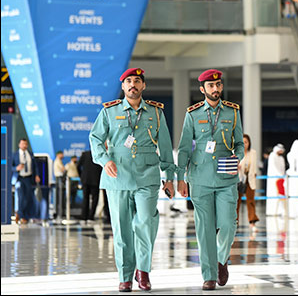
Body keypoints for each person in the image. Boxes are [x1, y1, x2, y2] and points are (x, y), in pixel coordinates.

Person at [89, 67, 176, 292]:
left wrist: (170, 177)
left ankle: (143, 270)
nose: (132, 85)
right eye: (128, 81)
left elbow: (165, 147)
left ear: (143, 86)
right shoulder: (109, 111)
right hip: (117, 177)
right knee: (122, 229)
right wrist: (104, 159)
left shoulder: (156, 113)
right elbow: (95, 137)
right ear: (123, 86)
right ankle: (125, 275)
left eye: (137, 81)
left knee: (146, 222)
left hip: (147, 175)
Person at [176, 69, 244, 291]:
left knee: (227, 225)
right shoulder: (193, 114)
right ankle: (208, 275)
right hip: (200, 178)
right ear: (202, 89)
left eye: (218, 85)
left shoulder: (233, 113)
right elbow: (185, 148)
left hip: (226, 177)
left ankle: (220, 259)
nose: (215, 89)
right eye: (211, 86)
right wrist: (181, 178)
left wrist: (239, 156)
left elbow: (240, 143)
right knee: (204, 229)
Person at [11, 138, 40, 224]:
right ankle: (20, 215)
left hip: (28, 178)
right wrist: (16, 168)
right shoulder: (14, 155)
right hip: (19, 178)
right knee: (21, 197)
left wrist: (37, 175)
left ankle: (25, 216)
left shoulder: (30, 154)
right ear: (19, 145)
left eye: (26, 144)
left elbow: (35, 166)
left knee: (28, 198)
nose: (24, 145)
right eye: (23, 144)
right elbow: (10, 167)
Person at [237, 134, 259, 233]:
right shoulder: (237, 153)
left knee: (250, 201)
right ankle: (235, 222)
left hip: (249, 179)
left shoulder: (253, 153)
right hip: (239, 179)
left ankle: (252, 222)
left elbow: (254, 166)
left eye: (246, 142)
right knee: (236, 202)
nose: (245, 144)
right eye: (243, 142)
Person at [78, 150, 102, 223]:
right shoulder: (99, 153)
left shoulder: (85, 154)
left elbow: (78, 166)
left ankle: (84, 216)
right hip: (96, 180)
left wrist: (81, 176)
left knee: (85, 198)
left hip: (85, 180)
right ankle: (91, 217)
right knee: (95, 199)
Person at [266, 144, 286, 216]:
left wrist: (283, 176)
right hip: (273, 179)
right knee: (273, 194)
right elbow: (274, 167)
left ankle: (280, 211)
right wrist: (280, 175)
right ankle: (273, 211)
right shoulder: (272, 156)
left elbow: (283, 168)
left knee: (281, 195)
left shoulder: (281, 158)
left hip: (281, 179)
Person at [53, 151, 66, 219]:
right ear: (58, 155)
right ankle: (60, 213)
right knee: (60, 197)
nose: (63, 155)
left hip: (59, 179)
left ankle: (60, 212)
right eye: (62, 154)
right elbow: (63, 169)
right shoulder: (58, 161)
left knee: (60, 196)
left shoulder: (58, 161)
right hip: (59, 179)